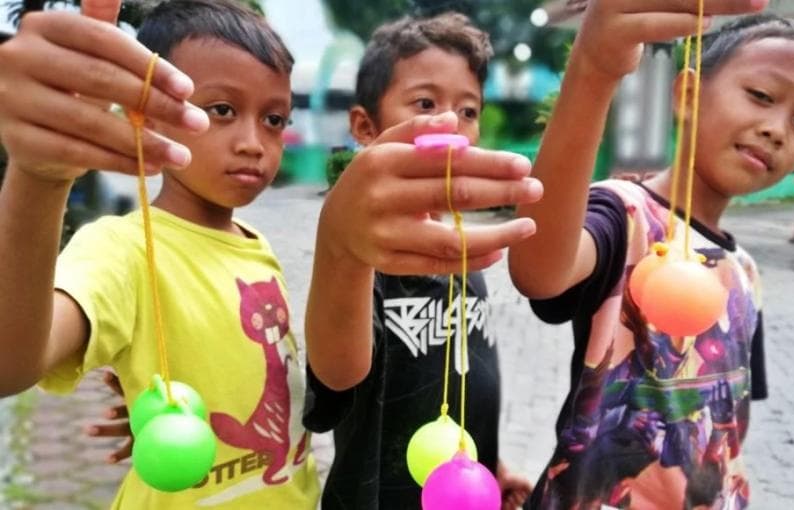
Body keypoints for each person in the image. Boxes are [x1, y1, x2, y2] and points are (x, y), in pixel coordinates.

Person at [0, 0, 540, 507]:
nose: (253, 142)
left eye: (274, 119)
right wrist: (39, 179)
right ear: (152, 113)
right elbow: (12, 361)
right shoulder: (121, 247)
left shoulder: (255, 247)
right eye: (221, 110)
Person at [508, 0, 794, 507]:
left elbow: (728, 428)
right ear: (687, 94)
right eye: (760, 95)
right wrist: (594, 70)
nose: (776, 129)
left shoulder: (746, 271)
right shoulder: (626, 215)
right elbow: (539, 269)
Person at [302, 12, 539, 510]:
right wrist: (340, 251)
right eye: (426, 104)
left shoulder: (462, 249)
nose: (450, 124)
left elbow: (467, 375)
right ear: (366, 127)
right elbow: (335, 376)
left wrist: (489, 467)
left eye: (468, 110)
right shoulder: (366, 257)